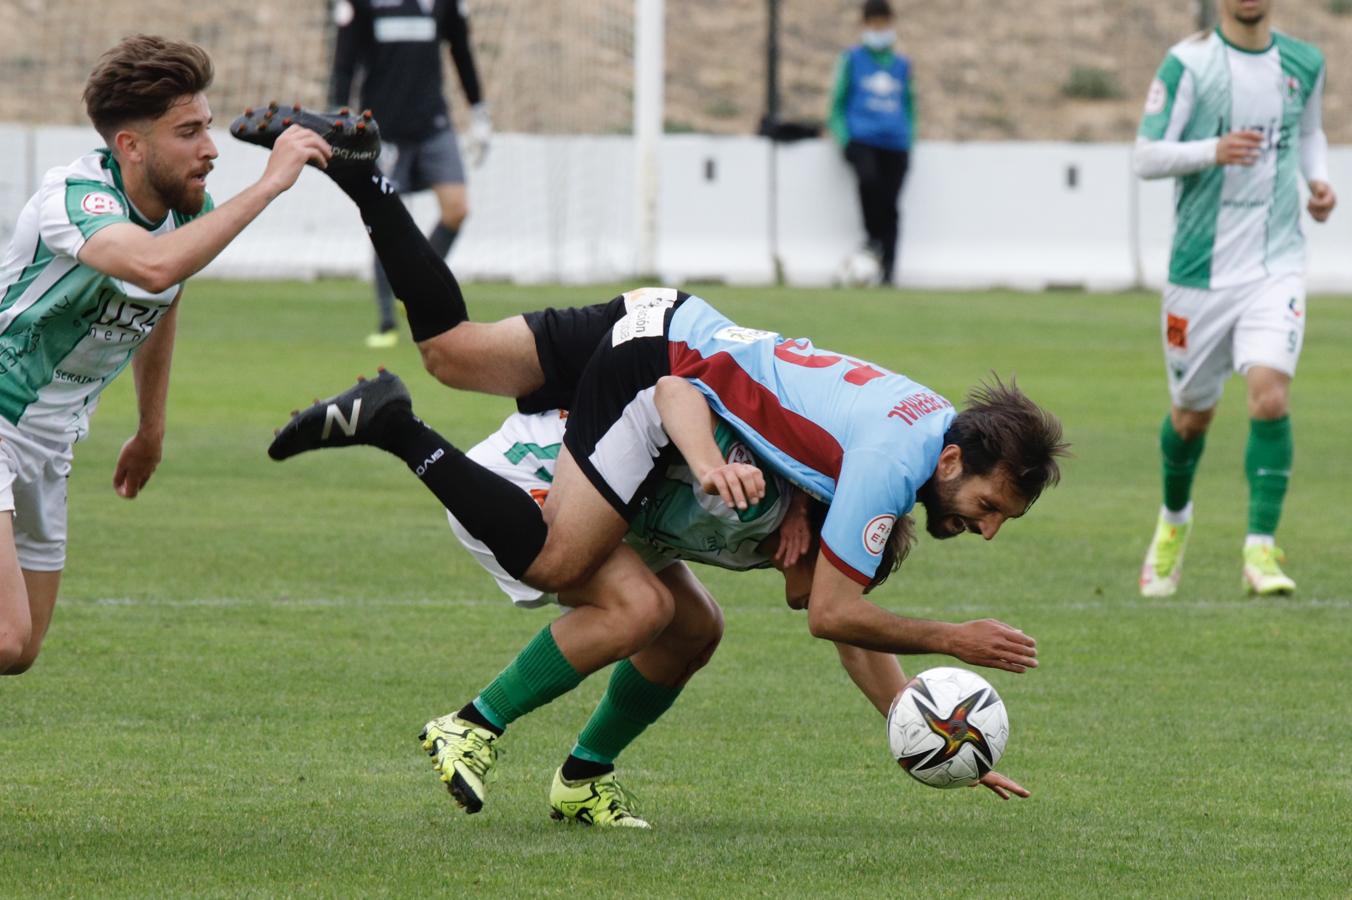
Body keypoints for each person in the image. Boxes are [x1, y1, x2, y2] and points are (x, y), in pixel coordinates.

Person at [273, 381, 1037, 826]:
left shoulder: (799, 530)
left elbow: (851, 635)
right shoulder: (770, 492)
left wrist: (935, 732)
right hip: (537, 477)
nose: (831, 594)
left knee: (696, 626)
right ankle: (469, 726)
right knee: (641, 609)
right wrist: (714, 459)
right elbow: (684, 394)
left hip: (610, 519)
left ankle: (581, 780)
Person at [0, 36, 337, 676]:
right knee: (7, 637)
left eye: (207, 128)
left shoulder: (186, 215)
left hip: (49, 445)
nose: (210, 149)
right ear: (130, 145)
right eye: (188, 132)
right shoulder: (74, 198)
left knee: (22, 653)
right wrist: (271, 185)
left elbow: (165, 295)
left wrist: (150, 428)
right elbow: (153, 269)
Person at [1133, 0, 1335, 598]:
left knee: (1270, 397)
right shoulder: (1189, 64)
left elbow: (1308, 132)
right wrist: (1211, 150)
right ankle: (1173, 522)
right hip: (1198, 273)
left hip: (1275, 265)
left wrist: (1316, 181)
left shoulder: (1304, 61)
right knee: (1191, 418)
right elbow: (1145, 154)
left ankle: (1261, 549)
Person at [329, 0, 491, 349]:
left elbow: (460, 50)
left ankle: (414, 289)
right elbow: (345, 63)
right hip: (383, 129)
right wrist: (339, 118)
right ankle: (387, 321)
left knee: (456, 209)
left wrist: (479, 112)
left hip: (434, 124)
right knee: (386, 218)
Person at [827, 0, 915, 286]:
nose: (879, 29)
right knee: (869, 182)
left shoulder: (902, 64)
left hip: (896, 142)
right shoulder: (852, 60)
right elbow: (837, 102)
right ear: (865, 25)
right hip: (862, 139)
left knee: (891, 205)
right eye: (873, 23)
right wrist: (844, 136)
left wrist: (909, 136)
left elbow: (909, 104)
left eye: (883, 23)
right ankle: (872, 241)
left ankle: (889, 269)